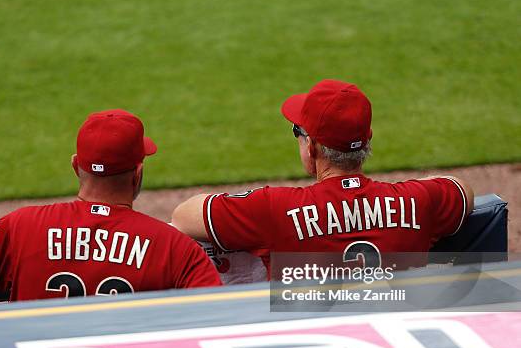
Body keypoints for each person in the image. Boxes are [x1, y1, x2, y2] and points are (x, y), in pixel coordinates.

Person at [172, 79, 474, 274]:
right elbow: (461, 190)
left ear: (312, 147)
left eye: (298, 133)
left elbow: (183, 218)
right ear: (367, 141)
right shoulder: (419, 201)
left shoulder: (272, 208)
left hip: (316, 343)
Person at [0, 109, 222, 305]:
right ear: (137, 172)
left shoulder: (20, 226)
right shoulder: (176, 248)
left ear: (75, 166)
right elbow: (219, 317)